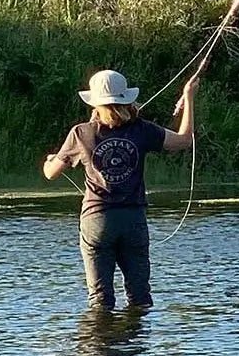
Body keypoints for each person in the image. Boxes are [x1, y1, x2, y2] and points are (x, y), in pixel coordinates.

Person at [43, 70, 197, 310]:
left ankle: (101, 344)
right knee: (140, 298)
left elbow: (51, 173)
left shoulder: (81, 132)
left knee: (100, 300)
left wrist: (49, 161)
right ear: (125, 98)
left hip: (97, 221)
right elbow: (184, 140)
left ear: (94, 102)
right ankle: (135, 345)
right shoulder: (142, 130)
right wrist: (188, 97)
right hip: (133, 220)